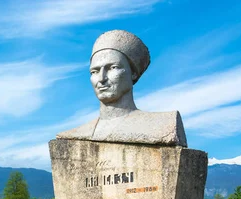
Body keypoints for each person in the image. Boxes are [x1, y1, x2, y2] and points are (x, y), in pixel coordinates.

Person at [57, 30, 187, 146]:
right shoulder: (76, 135)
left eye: (112, 68)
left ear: (133, 73)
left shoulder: (163, 125)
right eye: (94, 71)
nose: (101, 78)